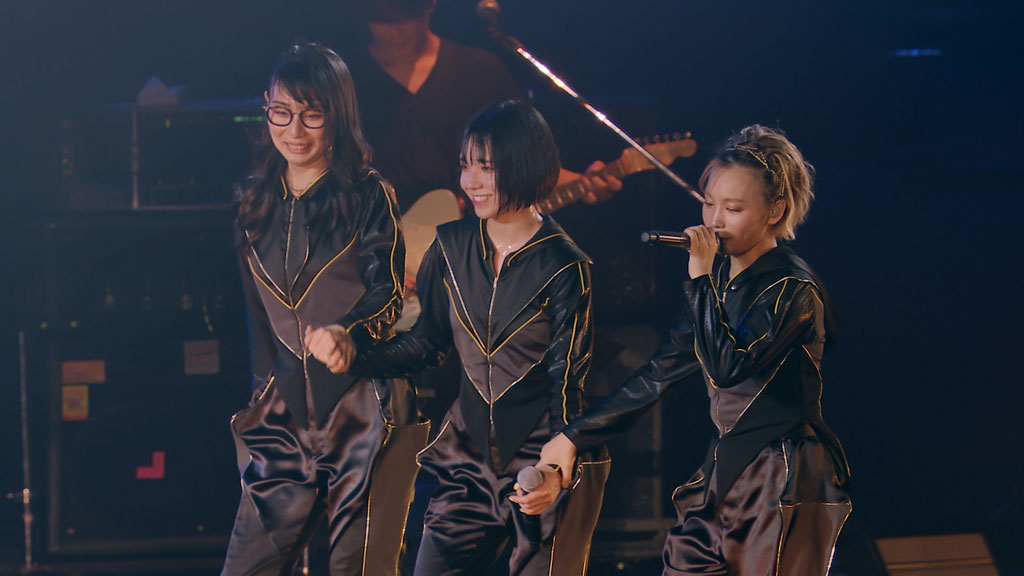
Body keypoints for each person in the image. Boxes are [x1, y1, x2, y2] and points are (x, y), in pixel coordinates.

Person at [540, 125, 852, 574]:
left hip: (784, 473)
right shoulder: (721, 284)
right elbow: (660, 372)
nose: (715, 221)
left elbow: (728, 366)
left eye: (734, 208)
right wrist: (573, 437)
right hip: (729, 467)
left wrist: (701, 279)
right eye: (709, 204)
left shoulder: (791, 289)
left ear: (775, 210)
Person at [345, 100, 610, 575]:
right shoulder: (450, 244)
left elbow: (567, 381)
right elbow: (427, 344)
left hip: (542, 460)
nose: (470, 181)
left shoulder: (565, 265)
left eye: (486, 167)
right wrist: (354, 355)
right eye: (465, 165)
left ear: (524, 165)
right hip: (466, 461)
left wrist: (556, 470)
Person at [222, 42, 428, 576]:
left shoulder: (367, 193)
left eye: (311, 114)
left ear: (337, 115)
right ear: (265, 107)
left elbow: (387, 293)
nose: (294, 129)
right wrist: (261, 398)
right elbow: (256, 318)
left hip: (366, 410)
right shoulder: (252, 202)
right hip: (283, 413)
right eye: (281, 112)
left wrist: (345, 333)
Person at [344, 0, 623, 216]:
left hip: (471, 251)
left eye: (408, 16)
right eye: (382, 19)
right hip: (377, 252)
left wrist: (584, 181)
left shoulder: (482, 70)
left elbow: (524, 160)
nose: (397, 31)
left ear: (431, 5)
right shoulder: (345, 80)